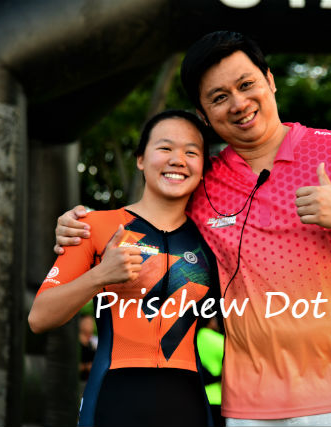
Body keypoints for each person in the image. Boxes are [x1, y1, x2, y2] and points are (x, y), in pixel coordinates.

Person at [54, 31, 331, 426]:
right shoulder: (202, 180)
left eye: (246, 84)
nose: (238, 104)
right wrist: (81, 223)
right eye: (219, 97)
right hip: (248, 408)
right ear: (203, 115)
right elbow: (147, 215)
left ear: (270, 80)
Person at [29, 110, 219, 427]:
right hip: (113, 398)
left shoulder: (213, 240)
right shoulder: (94, 226)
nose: (178, 160)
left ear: (202, 169)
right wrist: (99, 276)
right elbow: (39, 318)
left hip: (189, 402)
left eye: (191, 152)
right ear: (140, 159)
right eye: (165, 148)